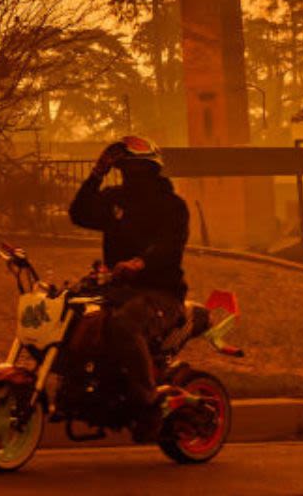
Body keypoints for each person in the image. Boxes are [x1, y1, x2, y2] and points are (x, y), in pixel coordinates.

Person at [68, 134, 190, 441]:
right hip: (118, 291)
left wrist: (140, 263)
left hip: (160, 293)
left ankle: (148, 405)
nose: (129, 175)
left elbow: (169, 245)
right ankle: (75, 391)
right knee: (72, 317)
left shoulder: (172, 206)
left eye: (136, 169)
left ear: (151, 170)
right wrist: (96, 174)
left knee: (124, 324)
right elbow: (79, 214)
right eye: (123, 169)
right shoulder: (114, 201)